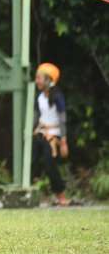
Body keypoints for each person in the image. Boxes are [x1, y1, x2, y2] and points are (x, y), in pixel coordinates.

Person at [33, 62, 71, 206]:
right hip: (40, 133)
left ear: (49, 80)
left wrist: (63, 141)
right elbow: (37, 116)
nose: (37, 81)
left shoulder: (57, 96)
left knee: (50, 166)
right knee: (32, 162)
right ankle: (31, 192)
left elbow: (62, 119)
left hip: (54, 135)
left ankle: (60, 195)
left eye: (39, 78)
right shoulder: (39, 97)